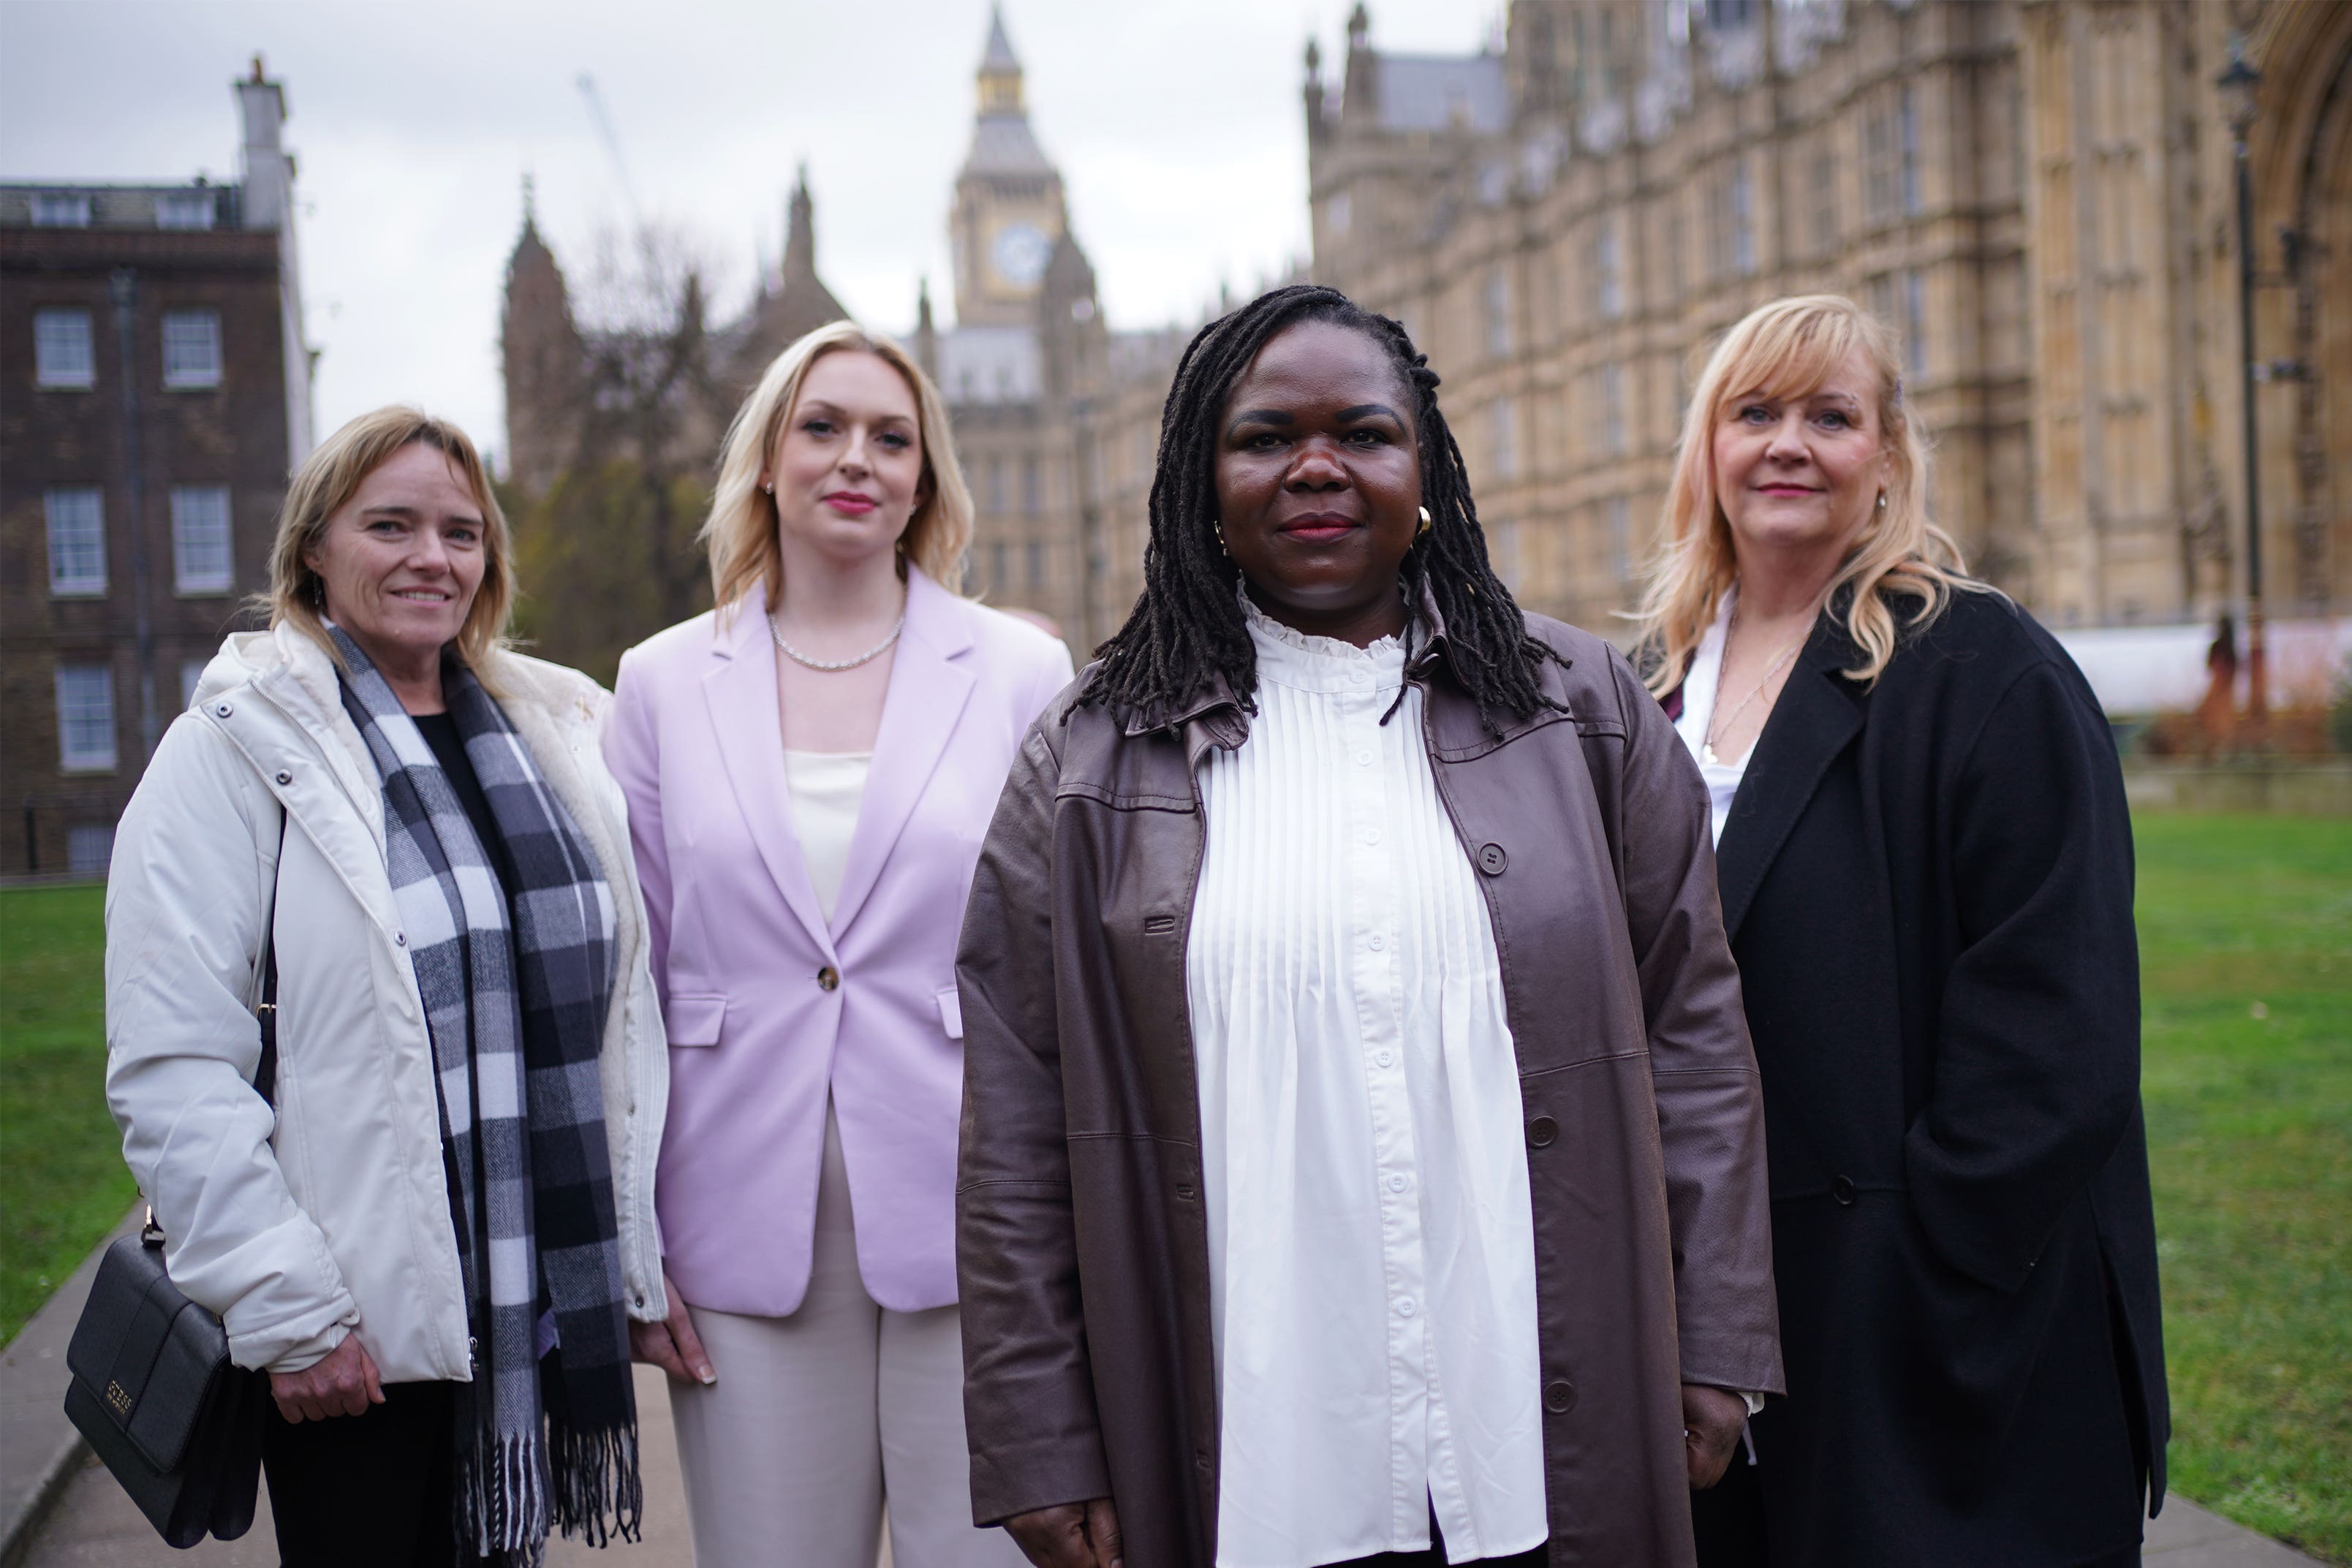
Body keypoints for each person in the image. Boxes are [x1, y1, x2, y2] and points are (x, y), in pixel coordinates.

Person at [954, 283, 1781, 1568]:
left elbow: (1696, 1037)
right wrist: (1037, 1432)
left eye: (1364, 433)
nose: (1317, 467)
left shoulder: (1580, 710)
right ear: (1199, 480)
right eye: (1266, 436)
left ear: (1425, 464)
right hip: (1249, 1437)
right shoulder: (1087, 757)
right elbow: (1013, 1119)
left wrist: (1719, 1337)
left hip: (1533, 1409)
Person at [1639, 295, 2167, 1567]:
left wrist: (1919, 1266)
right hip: (1713, 1304)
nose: (1788, 444)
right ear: (1705, 448)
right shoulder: (1652, 692)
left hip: (1932, 1322)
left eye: (1830, 416)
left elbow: (2057, 1024)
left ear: (1886, 454)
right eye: (1754, 413)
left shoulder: (1981, 668)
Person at [104, 408, 665, 1567]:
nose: (433, 556)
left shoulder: (550, 733)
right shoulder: (234, 745)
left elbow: (623, 1024)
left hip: (525, 1314)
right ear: (315, 546)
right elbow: (174, 1057)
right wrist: (288, 1306)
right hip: (350, 1335)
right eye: (392, 524)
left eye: (462, 532)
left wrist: (639, 1257)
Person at [605, 320, 1071, 1567]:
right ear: (767, 457)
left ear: (926, 475)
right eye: (822, 427)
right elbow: (632, 987)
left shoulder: (1021, 671)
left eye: (890, 436)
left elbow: (1052, 959)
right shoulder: (658, 683)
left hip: (976, 1216)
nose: (854, 457)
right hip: (737, 1218)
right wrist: (631, 1241)